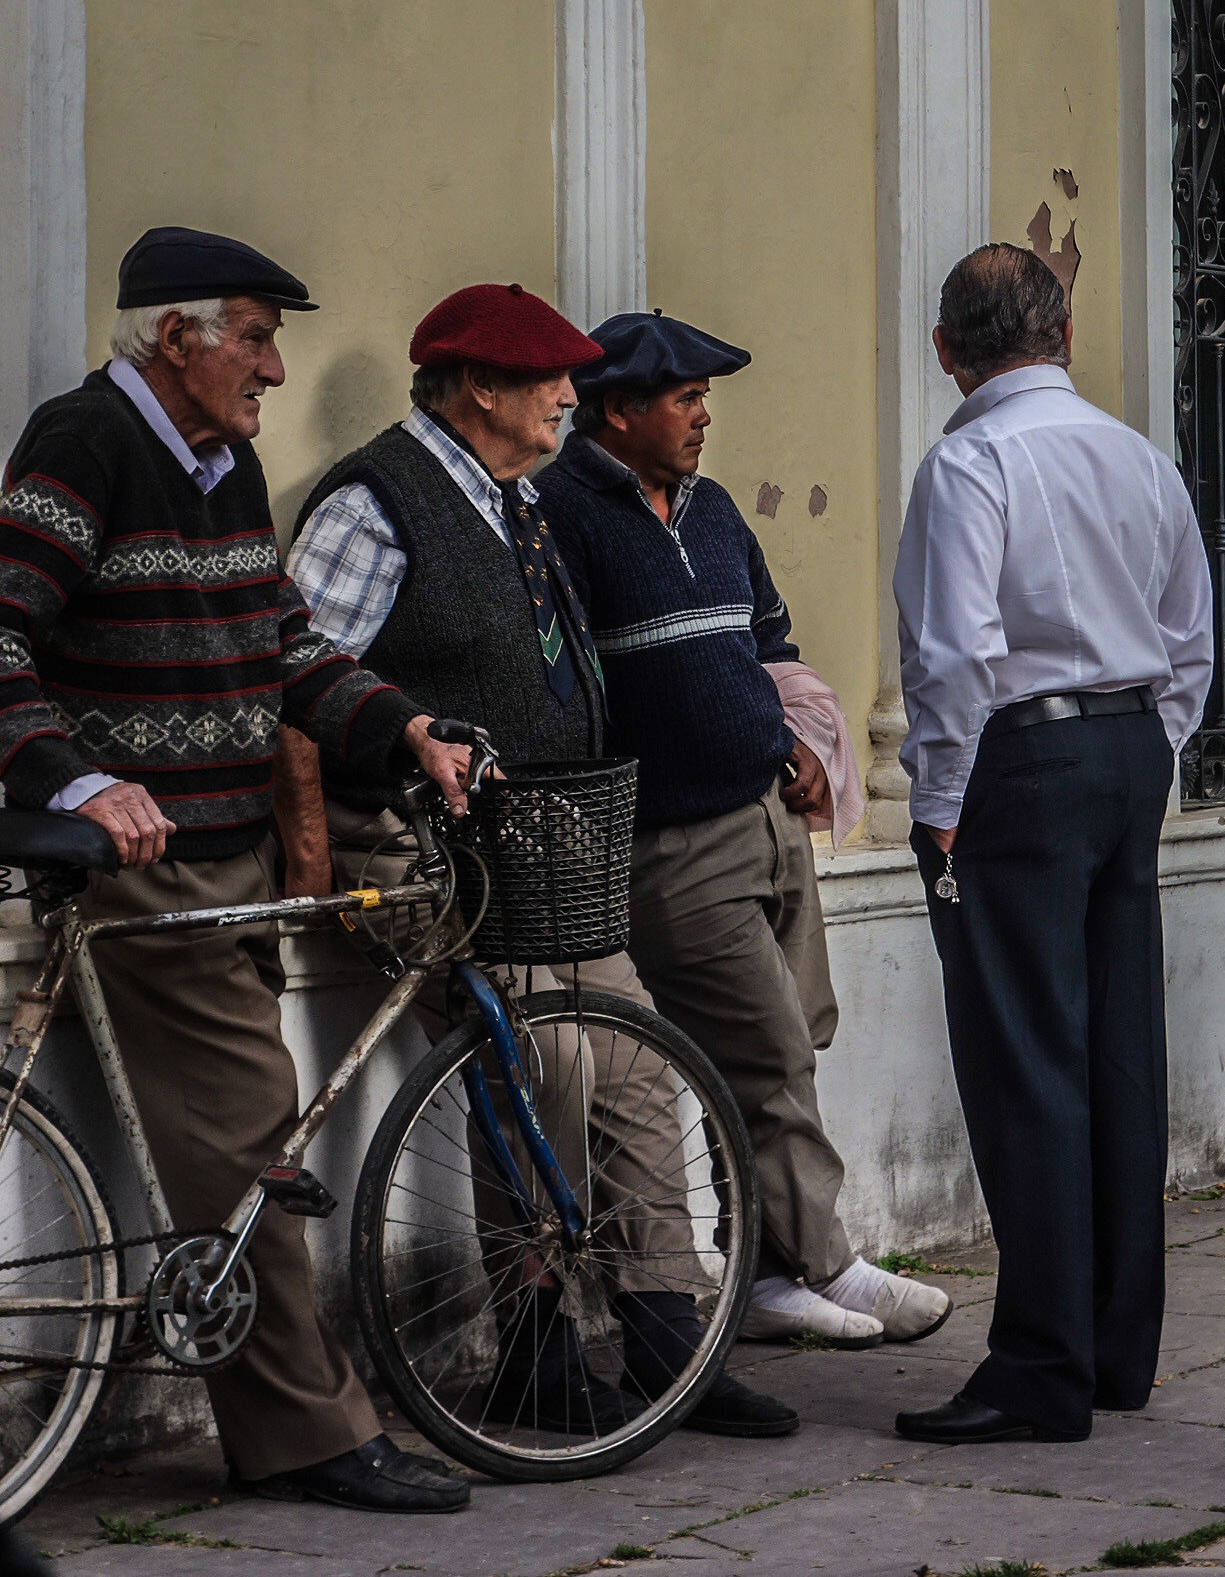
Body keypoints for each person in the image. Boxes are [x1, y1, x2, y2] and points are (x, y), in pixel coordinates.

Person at [0, 226, 473, 1514]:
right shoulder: (84, 443)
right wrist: (79, 778)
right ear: (180, 337)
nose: (274, 366)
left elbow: (284, 644)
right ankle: (312, 1436)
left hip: (232, 854)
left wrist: (403, 727)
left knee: (246, 1154)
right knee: (254, 1151)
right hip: (152, 873)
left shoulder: (221, 460)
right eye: (257, 334)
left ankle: (292, 1419)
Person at [285, 282, 793, 1440]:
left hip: (551, 843)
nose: (573, 394)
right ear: (479, 387)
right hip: (432, 840)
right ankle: (539, 1342)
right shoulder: (380, 499)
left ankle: (672, 1334)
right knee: (543, 1056)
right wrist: (315, 851)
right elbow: (298, 677)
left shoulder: (515, 497)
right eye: (551, 379)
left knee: (633, 1065)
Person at [536, 311, 949, 1351]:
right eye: (685, 398)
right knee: (764, 1048)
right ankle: (824, 1260)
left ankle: (768, 1271)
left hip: (766, 814)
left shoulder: (714, 509)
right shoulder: (565, 515)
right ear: (618, 411)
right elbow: (567, 682)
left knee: (791, 1038)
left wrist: (798, 742)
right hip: (668, 840)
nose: (704, 415)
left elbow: (769, 639)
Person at [890, 243, 1214, 1446]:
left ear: (947, 351)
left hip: (1020, 760)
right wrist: (1152, 748)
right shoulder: (1138, 456)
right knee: (1120, 1047)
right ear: (1063, 333)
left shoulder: (971, 459)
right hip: (1126, 749)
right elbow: (1190, 634)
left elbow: (956, 652)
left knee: (1027, 1055)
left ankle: (1040, 1363)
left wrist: (938, 798)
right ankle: (1112, 1346)